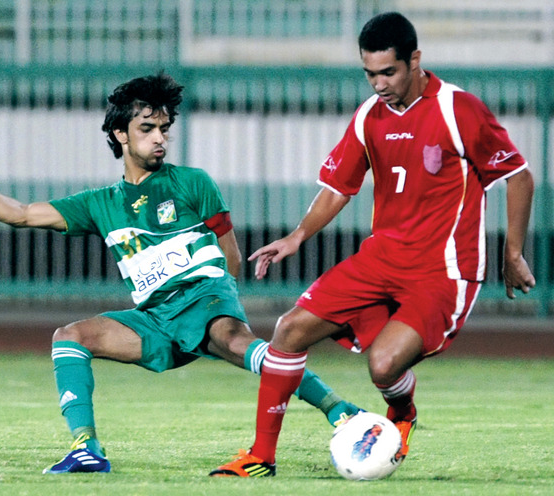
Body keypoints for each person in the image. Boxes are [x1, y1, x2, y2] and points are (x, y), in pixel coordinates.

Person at [0, 72, 365, 474]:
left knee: (235, 340)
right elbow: (21, 214)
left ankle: (341, 411)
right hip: (155, 318)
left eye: (164, 130)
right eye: (147, 129)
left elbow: (230, 255)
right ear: (121, 134)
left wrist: (221, 303)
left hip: (204, 297)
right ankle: (87, 449)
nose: (160, 139)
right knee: (70, 336)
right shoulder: (100, 203)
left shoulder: (192, 182)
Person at [210, 12, 535, 477]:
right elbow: (339, 186)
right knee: (289, 329)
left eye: (388, 72)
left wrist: (512, 253)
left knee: (383, 366)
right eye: (370, 73)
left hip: (442, 270)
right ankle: (260, 456)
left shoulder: (457, 109)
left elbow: (518, 176)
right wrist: (297, 236)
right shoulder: (369, 116)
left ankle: (402, 413)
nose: (378, 83)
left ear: (415, 60)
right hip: (381, 260)